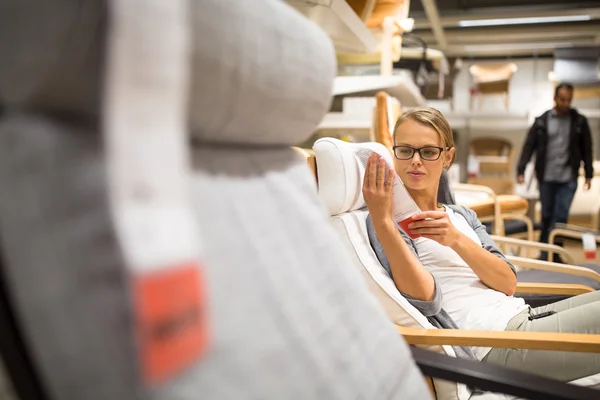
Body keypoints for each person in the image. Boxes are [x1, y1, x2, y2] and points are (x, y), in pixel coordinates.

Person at [363, 106, 600, 382]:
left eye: (428, 152)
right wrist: (383, 221)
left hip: (520, 317)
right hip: (491, 345)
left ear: (447, 157)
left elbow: (508, 283)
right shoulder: (390, 224)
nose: (415, 161)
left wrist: (455, 239)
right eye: (405, 150)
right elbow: (424, 302)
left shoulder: (462, 215)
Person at [516, 83, 593, 260]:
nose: (566, 103)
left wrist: (588, 174)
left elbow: (587, 148)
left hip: (568, 177)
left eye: (569, 100)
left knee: (561, 217)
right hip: (547, 177)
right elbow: (529, 146)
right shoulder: (542, 121)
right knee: (547, 216)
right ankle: (544, 254)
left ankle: (557, 254)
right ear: (555, 98)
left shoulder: (579, 121)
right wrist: (521, 169)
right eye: (562, 99)